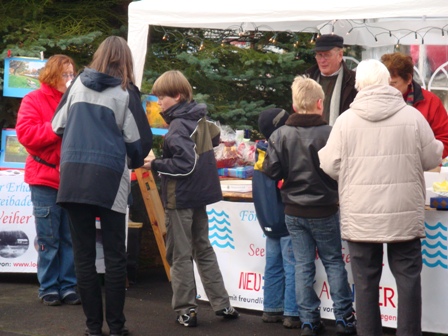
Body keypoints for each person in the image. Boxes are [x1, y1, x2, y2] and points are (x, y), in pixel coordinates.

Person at [318, 59, 443, 336]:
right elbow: (432, 156)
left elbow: (328, 164)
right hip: (404, 211)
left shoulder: (345, 121)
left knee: (364, 281)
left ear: (360, 85)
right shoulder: (412, 116)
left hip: (361, 212)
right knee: (408, 278)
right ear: (387, 81)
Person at [51, 36, 153, 336]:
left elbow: (57, 125)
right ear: (126, 60)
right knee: (114, 256)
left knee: (83, 256)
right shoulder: (125, 92)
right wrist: (133, 160)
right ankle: (117, 328)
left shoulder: (77, 84)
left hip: (73, 177)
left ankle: (93, 328)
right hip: (109, 180)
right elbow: (139, 143)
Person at [142, 70, 239, 328]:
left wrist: (156, 163)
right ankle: (223, 304)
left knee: (179, 253)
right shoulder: (199, 118)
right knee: (203, 248)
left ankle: (186, 310)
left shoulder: (177, 127)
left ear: (178, 96)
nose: (159, 102)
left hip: (180, 197)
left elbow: (184, 165)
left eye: (163, 96)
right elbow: (216, 136)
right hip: (200, 195)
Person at [262, 76, 356, 336]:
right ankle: (344, 317)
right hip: (324, 208)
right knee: (334, 262)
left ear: (294, 106)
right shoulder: (330, 132)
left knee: (303, 264)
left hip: (293, 210)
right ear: (319, 104)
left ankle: (308, 321)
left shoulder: (280, 134)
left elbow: (271, 171)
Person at [16, 54, 81, 307]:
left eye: (72, 73)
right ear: (52, 75)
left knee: (70, 238)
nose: (70, 78)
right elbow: (27, 135)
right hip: (44, 179)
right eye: (65, 74)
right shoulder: (33, 99)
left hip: (73, 179)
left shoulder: (76, 100)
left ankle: (68, 286)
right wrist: (57, 127)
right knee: (48, 239)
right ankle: (48, 287)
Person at [253, 108, 300, 329]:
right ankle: (291, 312)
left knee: (272, 264)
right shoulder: (281, 152)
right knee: (291, 265)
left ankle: (271, 309)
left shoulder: (260, 152)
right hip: (285, 217)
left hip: (268, 219)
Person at [381, 51, 448, 158]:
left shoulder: (430, 102)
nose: (388, 88)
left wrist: (421, 159)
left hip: (420, 168)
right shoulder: (377, 101)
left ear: (408, 79)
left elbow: (445, 139)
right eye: (385, 83)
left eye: (393, 83)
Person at [305, 34, 358, 126]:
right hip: (312, 138)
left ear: (340, 55)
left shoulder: (354, 82)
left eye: (326, 55)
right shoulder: (307, 81)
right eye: (319, 55)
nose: (322, 60)